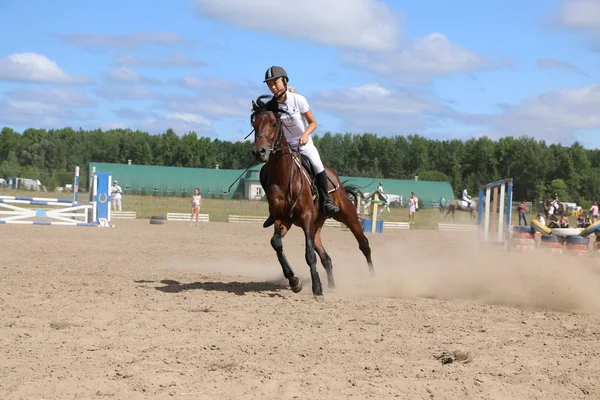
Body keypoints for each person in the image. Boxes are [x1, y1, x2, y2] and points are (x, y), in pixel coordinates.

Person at [260, 65, 339, 228]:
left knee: (317, 166)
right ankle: (273, 210)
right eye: (270, 84)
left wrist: (304, 135)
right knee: (265, 172)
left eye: (276, 82)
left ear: (284, 81)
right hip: (285, 148)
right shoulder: (272, 105)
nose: (273, 86)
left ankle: (325, 201)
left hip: (303, 144)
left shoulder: (298, 99)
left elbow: (313, 122)